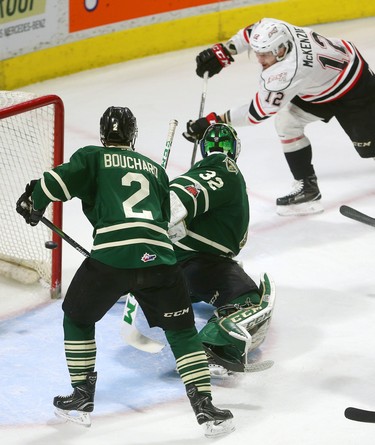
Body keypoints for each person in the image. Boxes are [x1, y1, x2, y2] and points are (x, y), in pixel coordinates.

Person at [15, 106, 234, 437]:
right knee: (183, 332)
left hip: (111, 259)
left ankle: (81, 398)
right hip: (161, 260)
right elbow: (164, 220)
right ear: (133, 135)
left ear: (103, 134)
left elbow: (52, 183)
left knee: (77, 318)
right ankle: (206, 409)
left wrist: (34, 204)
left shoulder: (92, 156)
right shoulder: (156, 171)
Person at [183, 18, 375, 216]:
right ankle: (308, 189)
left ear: (281, 50)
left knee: (371, 149)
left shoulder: (287, 72)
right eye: (257, 53)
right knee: (287, 122)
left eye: (265, 55)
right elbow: (251, 33)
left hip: (355, 87)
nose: (259, 60)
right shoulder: (277, 30)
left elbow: (255, 113)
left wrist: (214, 121)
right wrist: (225, 51)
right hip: (318, 84)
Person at [168, 122, 276, 377]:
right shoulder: (224, 167)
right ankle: (208, 347)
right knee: (249, 300)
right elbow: (186, 192)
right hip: (194, 262)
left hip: (175, 267)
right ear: (235, 149)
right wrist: (165, 211)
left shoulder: (207, 167)